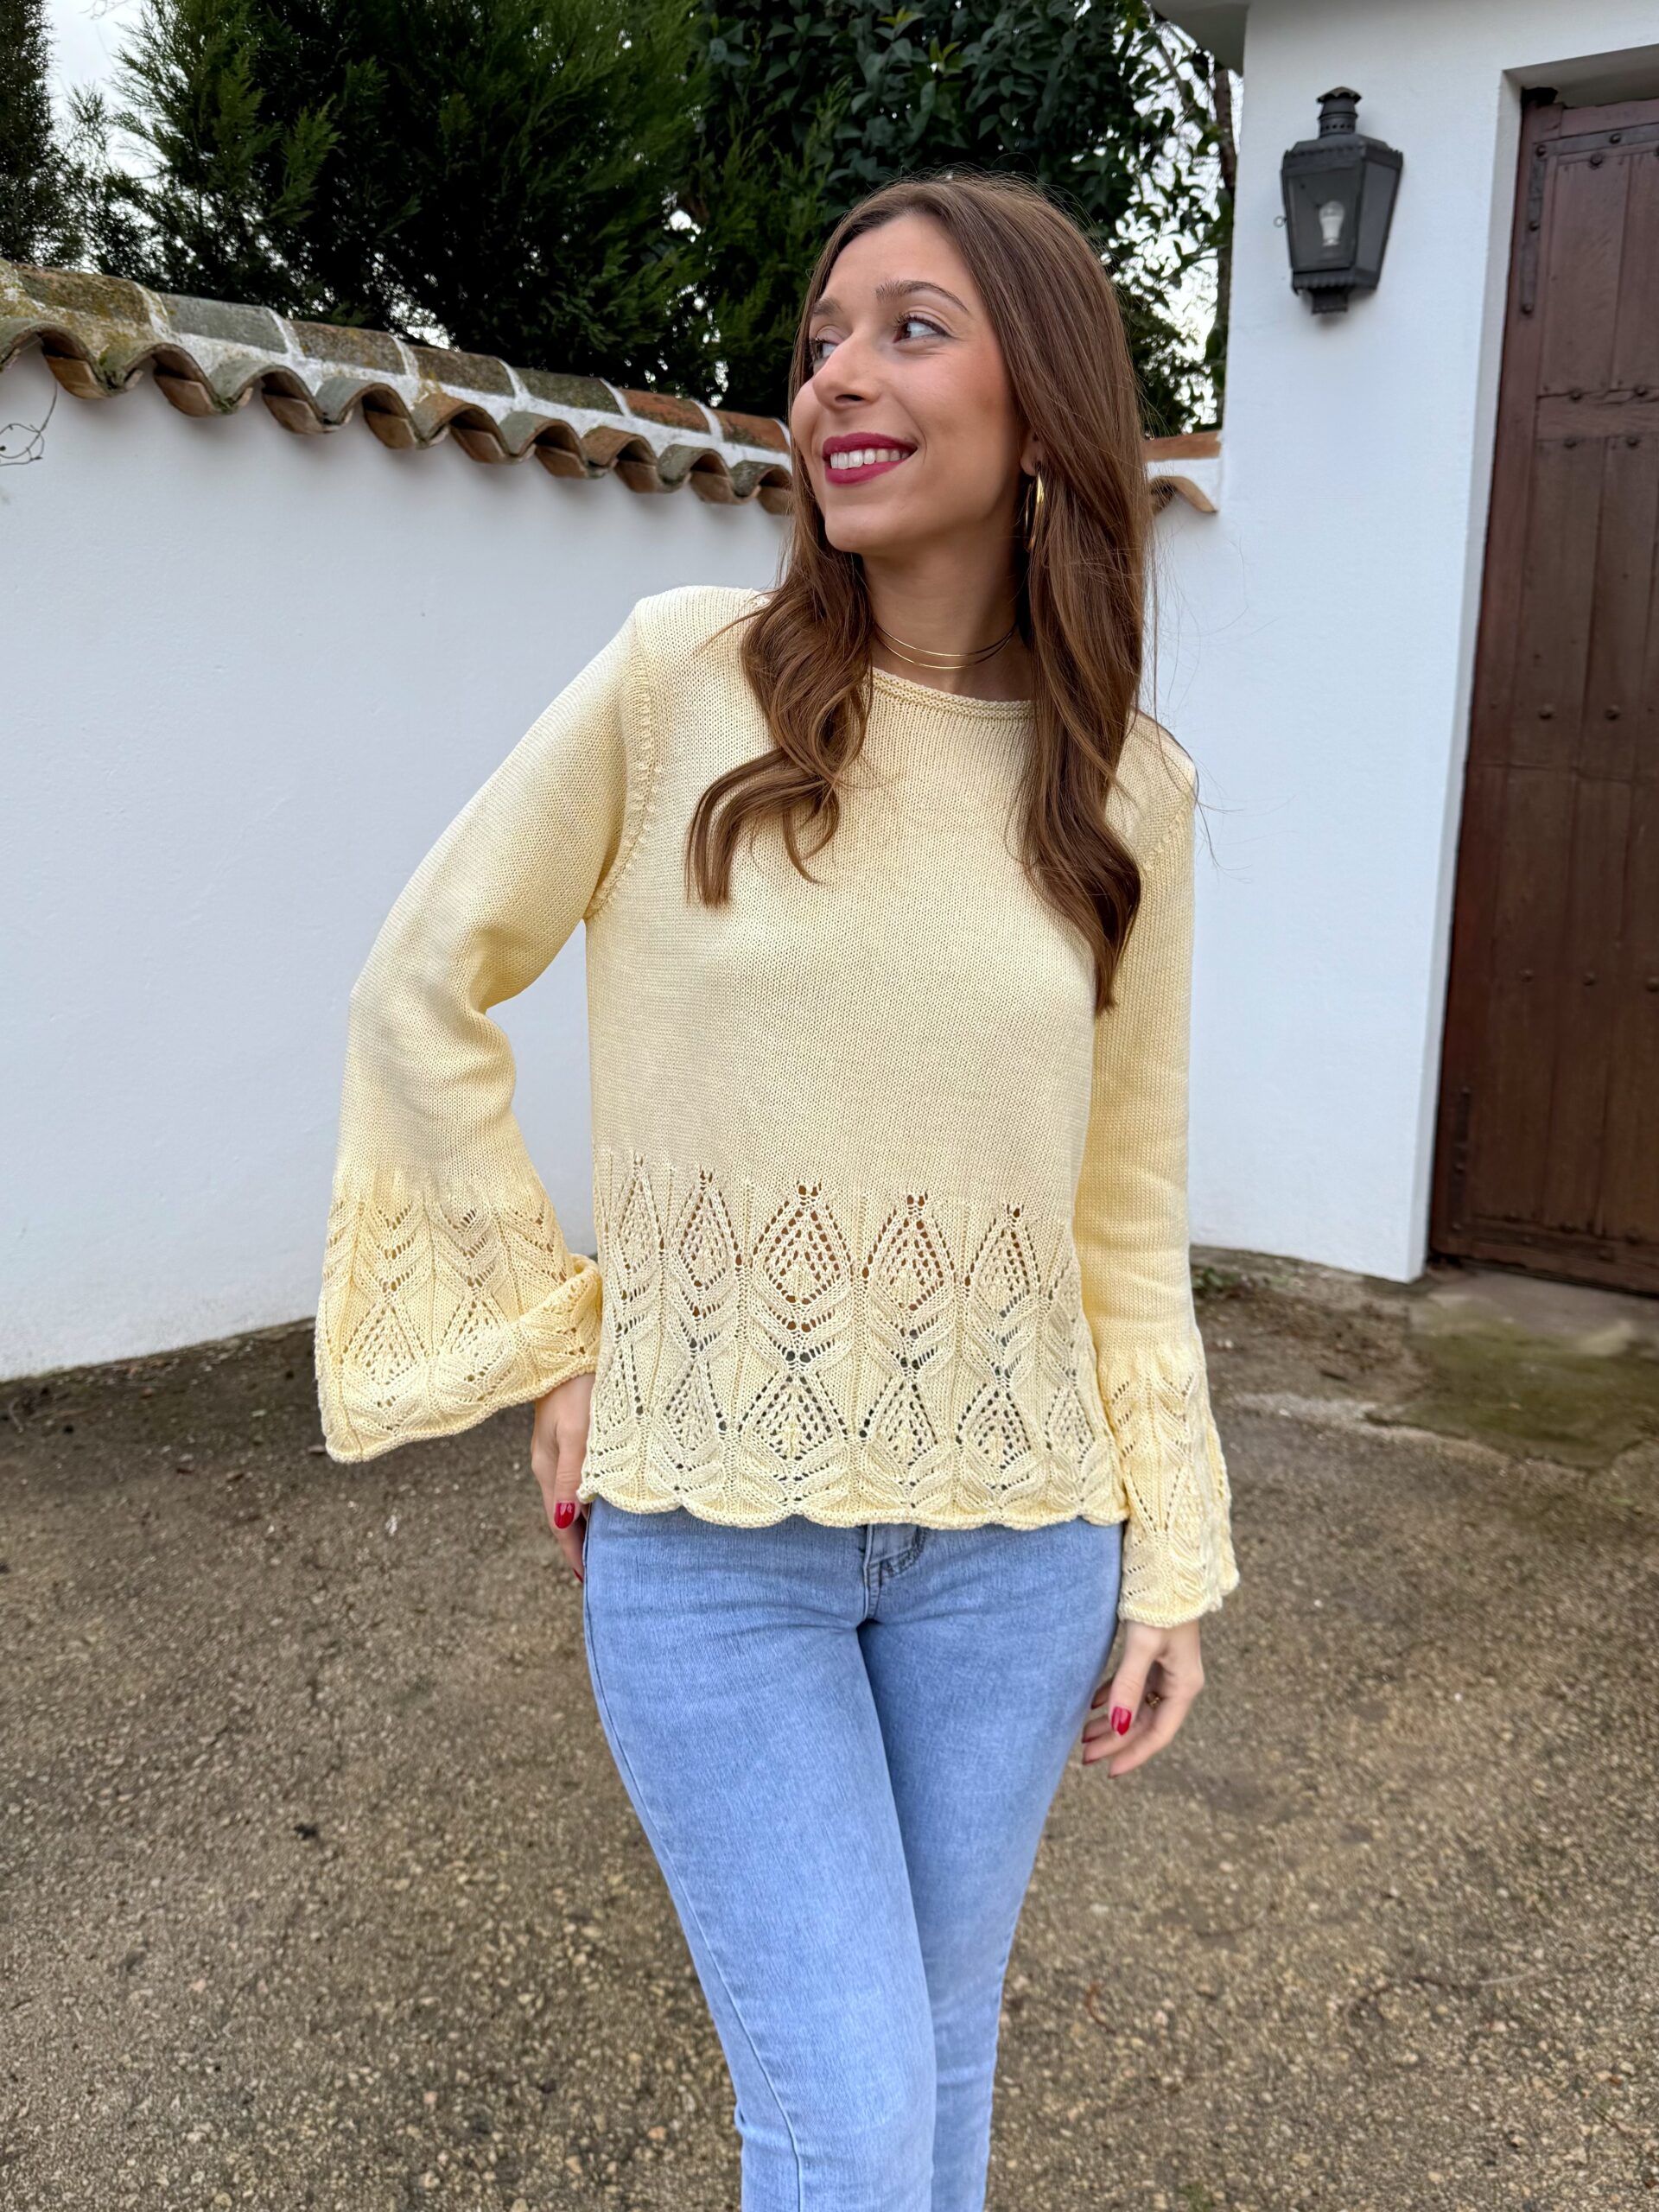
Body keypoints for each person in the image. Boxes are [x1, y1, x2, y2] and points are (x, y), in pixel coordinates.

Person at [315, 167, 1239, 2212]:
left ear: (1044, 405)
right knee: (846, 2111)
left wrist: (1168, 1549)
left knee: (939, 2061)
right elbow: (420, 987)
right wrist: (555, 1342)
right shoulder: (681, 678)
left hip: (1020, 1548)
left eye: (910, 328)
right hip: (716, 1545)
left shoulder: (1129, 792)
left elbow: (1123, 1205)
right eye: (822, 339)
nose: (836, 377)